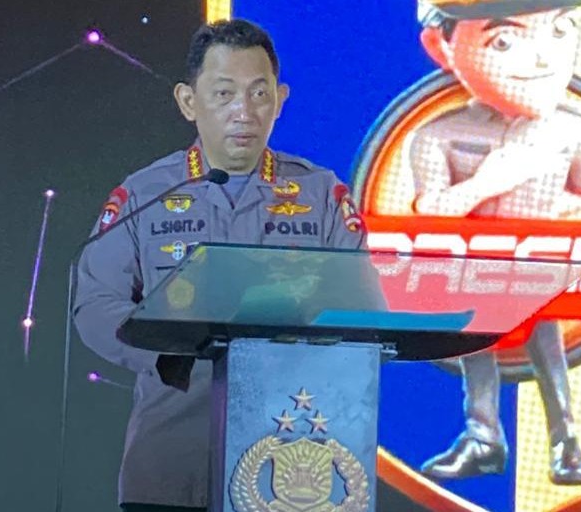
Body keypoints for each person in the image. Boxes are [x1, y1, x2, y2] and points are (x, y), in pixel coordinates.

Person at [73, 19, 367, 512]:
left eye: (259, 93)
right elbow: (95, 304)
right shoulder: (147, 193)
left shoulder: (321, 194)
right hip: (172, 459)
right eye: (224, 93)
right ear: (189, 101)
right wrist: (167, 354)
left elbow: (360, 303)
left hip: (291, 462)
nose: (244, 112)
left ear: (280, 99)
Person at [405, 0, 581, 484]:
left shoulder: (576, 130)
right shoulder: (438, 135)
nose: (541, 58)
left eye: (560, 29)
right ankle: (483, 438)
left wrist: (545, 215)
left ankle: (566, 441)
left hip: (539, 270)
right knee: (476, 345)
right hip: (473, 273)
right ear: (440, 46)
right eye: (504, 40)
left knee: (548, 349)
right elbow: (429, 213)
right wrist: (486, 184)